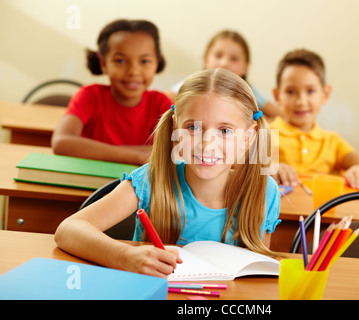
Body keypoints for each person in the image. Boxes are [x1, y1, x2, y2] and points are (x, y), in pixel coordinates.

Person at [54, 68, 282, 278]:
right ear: (175, 128)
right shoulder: (151, 180)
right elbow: (68, 230)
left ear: (248, 137)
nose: (207, 144)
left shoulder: (264, 192)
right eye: (193, 127)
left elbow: (255, 273)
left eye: (224, 131)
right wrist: (124, 256)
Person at [52, 19, 172, 165]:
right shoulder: (90, 95)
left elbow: (176, 149)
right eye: (120, 61)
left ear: (156, 63)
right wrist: (137, 155)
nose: (133, 71)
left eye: (145, 61)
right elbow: (61, 142)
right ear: (104, 64)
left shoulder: (160, 104)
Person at [270, 49, 359, 191]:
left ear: (325, 94)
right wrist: (269, 167)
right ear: (277, 96)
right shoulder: (265, 134)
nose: (301, 102)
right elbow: (240, 165)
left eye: (310, 91)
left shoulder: (332, 142)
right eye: (290, 92)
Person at [165, 30, 285, 120]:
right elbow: (163, 100)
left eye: (234, 59)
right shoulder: (194, 83)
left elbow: (282, 118)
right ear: (205, 60)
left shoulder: (249, 91)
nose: (224, 63)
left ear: (245, 68)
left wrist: (252, 121)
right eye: (218, 55)